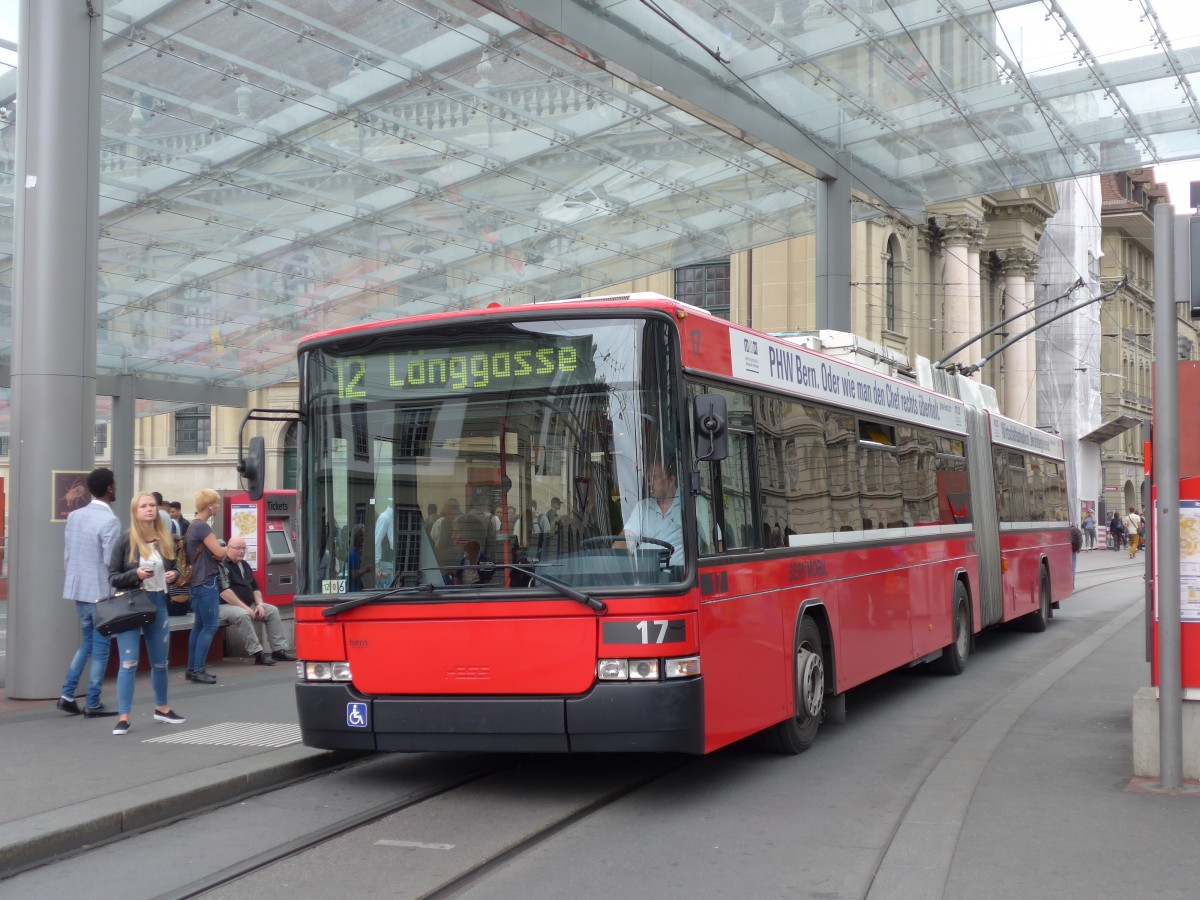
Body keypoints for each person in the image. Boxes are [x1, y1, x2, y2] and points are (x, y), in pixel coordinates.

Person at [107, 492, 186, 735]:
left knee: (160, 662)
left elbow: (177, 568)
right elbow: (113, 577)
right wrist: (136, 574)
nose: (149, 509)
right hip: (131, 603)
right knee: (129, 661)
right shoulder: (125, 540)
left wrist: (174, 575)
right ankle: (124, 716)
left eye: (152, 505)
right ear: (135, 511)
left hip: (158, 601)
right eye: (143, 506)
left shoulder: (165, 539)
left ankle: (162, 707)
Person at [57, 467, 122, 718]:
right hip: (101, 592)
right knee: (101, 648)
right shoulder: (110, 520)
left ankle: (67, 694)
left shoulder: (75, 516)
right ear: (109, 488)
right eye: (114, 485)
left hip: (79, 589)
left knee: (87, 644)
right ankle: (92, 701)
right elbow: (110, 561)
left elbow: (68, 555)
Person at [217, 536, 297, 665]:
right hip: (224, 606)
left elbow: (255, 587)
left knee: (271, 610)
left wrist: (259, 604)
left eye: (244, 548)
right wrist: (246, 608)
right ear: (228, 548)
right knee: (242, 615)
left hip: (247, 604)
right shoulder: (223, 565)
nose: (242, 551)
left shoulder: (244, 564)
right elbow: (225, 593)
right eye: (238, 548)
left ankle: (279, 650)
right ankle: (258, 653)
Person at [184, 488, 228, 684]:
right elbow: (219, 552)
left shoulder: (192, 525)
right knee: (210, 626)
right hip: (206, 581)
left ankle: (191, 667)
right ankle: (198, 669)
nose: (218, 506)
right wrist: (226, 548)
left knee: (199, 626)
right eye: (216, 503)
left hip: (196, 582)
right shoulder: (203, 527)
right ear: (209, 506)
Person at [621, 461, 685, 566]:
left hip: (680, 573)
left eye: (655, 477)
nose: (650, 483)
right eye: (649, 478)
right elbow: (628, 536)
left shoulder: (689, 505)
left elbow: (711, 544)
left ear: (671, 480)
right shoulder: (643, 507)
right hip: (645, 573)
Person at [347, 524, 366, 592]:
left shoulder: (357, 553)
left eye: (363, 536)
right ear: (355, 537)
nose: (362, 539)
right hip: (353, 592)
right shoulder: (353, 554)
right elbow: (354, 574)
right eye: (360, 536)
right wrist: (365, 570)